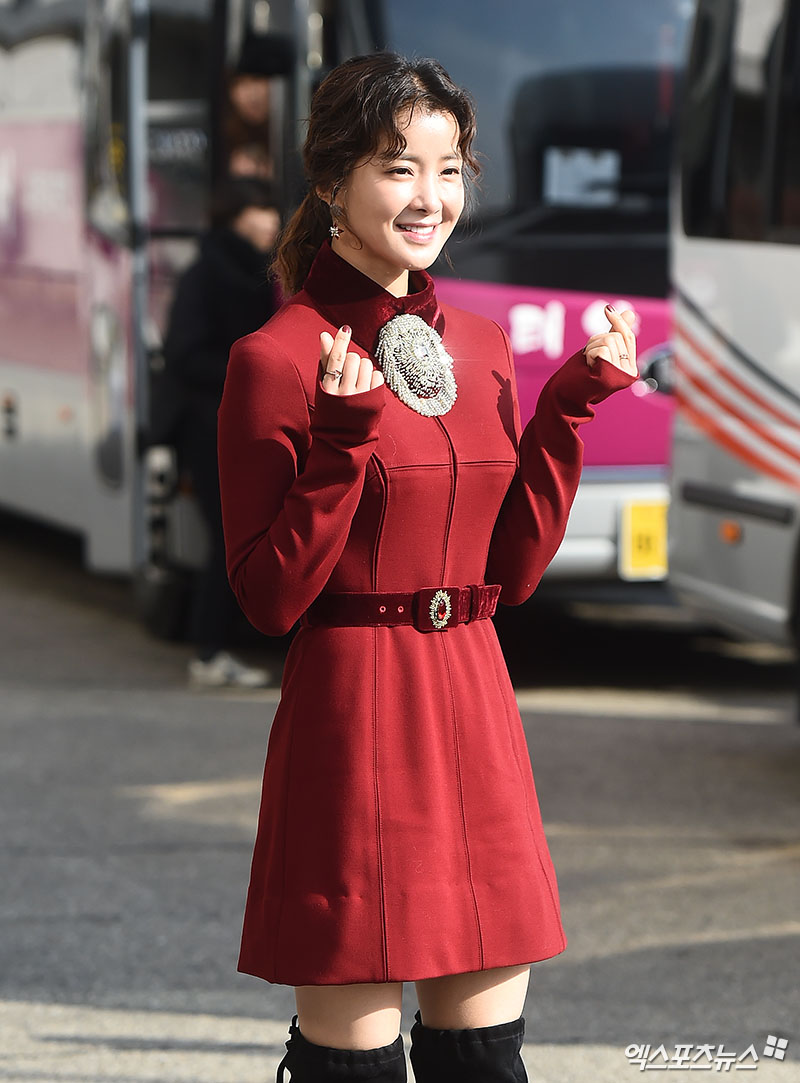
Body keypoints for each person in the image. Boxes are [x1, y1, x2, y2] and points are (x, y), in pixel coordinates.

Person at [217, 53, 638, 1081]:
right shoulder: (276, 358)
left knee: (484, 1059)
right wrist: (340, 444)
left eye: (448, 170)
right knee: (352, 1068)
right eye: (397, 167)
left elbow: (513, 573)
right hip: (352, 714)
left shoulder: (483, 345)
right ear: (331, 182)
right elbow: (268, 598)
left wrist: (569, 406)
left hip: (475, 700)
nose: (429, 197)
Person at [163, 177, 281, 687]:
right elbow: (184, 354)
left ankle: (219, 645)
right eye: (261, 210)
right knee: (228, 536)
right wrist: (252, 372)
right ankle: (209, 652)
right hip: (205, 426)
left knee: (239, 534)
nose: (273, 221)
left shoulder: (261, 270)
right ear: (235, 217)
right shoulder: (206, 273)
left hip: (241, 423)